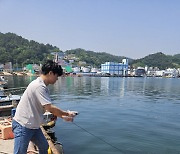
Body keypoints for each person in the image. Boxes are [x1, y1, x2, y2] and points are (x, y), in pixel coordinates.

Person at [12, 60, 77, 154]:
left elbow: (44, 107)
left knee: (44, 146)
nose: (57, 79)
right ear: (50, 73)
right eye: (56, 76)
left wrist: (62, 116)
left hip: (34, 126)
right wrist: (67, 113)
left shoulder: (43, 86)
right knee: (19, 152)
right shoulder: (39, 86)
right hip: (23, 125)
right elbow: (49, 107)